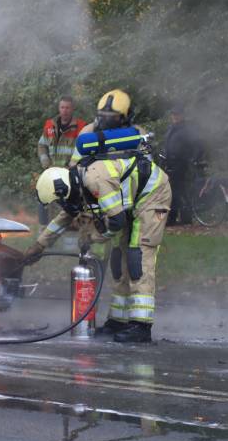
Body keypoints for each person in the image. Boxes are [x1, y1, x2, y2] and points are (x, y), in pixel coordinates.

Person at [24, 89, 171, 343]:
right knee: (117, 258)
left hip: (150, 197)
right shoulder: (82, 163)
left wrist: (92, 235)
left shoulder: (98, 173)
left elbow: (116, 220)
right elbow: (68, 212)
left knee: (137, 256)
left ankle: (140, 326)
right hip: (121, 197)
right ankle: (118, 320)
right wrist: (40, 244)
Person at [36, 95, 86, 224]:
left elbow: (84, 148)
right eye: (62, 107)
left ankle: (72, 233)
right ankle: (47, 229)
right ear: (59, 108)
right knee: (48, 199)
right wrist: (45, 162)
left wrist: (73, 165)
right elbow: (42, 144)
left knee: (70, 204)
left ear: (72, 109)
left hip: (71, 172)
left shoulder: (81, 127)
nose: (65, 110)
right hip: (52, 171)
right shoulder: (50, 125)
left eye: (68, 108)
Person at [163, 104, 201, 226]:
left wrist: (192, 159)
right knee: (175, 191)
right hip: (170, 162)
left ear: (182, 116)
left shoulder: (187, 130)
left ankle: (176, 218)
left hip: (180, 163)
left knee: (177, 191)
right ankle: (181, 218)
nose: (175, 117)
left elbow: (196, 145)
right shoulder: (172, 128)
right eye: (173, 114)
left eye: (177, 114)